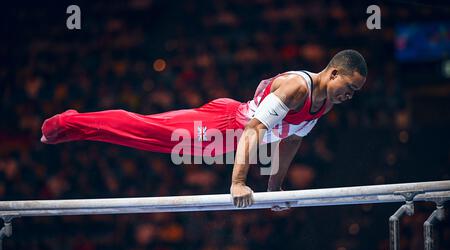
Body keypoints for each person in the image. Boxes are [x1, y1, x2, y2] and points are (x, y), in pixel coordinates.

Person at [41, 49, 367, 210]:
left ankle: (72, 123)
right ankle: (64, 123)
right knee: (140, 129)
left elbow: (291, 140)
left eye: (355, 94)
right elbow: (254, 130)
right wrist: (238, 183)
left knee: (141, 135)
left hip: (226, 142)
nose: (349, 97)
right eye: (349, 87)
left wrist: (274, 190)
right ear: (335, 72)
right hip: (217, 128)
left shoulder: (325, 104)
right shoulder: (298, 88)